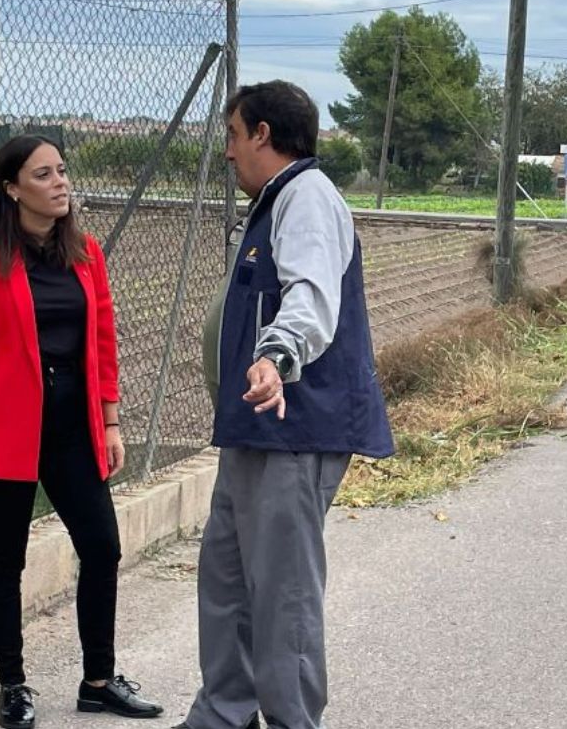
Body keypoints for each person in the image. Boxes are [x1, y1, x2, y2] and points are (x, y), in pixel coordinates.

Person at [180, 81, 394, 729]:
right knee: (226, 578)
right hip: (254, 425)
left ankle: (294, 721)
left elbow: (309, 295)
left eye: (233, 136)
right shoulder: (276, 203)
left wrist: (275, 357)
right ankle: (224, 713)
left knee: (283, 595)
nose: (228, 153)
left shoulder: (306, 199)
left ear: (263, 135)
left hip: (293, 425)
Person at [0, 135, 162, 729]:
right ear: (12, 189)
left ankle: (99, 680)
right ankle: (13, 686)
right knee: (6, 560)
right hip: (2, 433)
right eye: (44, 174)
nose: (60, 183)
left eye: (62, 171)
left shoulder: (85, 252)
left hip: (72, 430)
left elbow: (103, 341)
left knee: (103, 548)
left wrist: (110, 421)